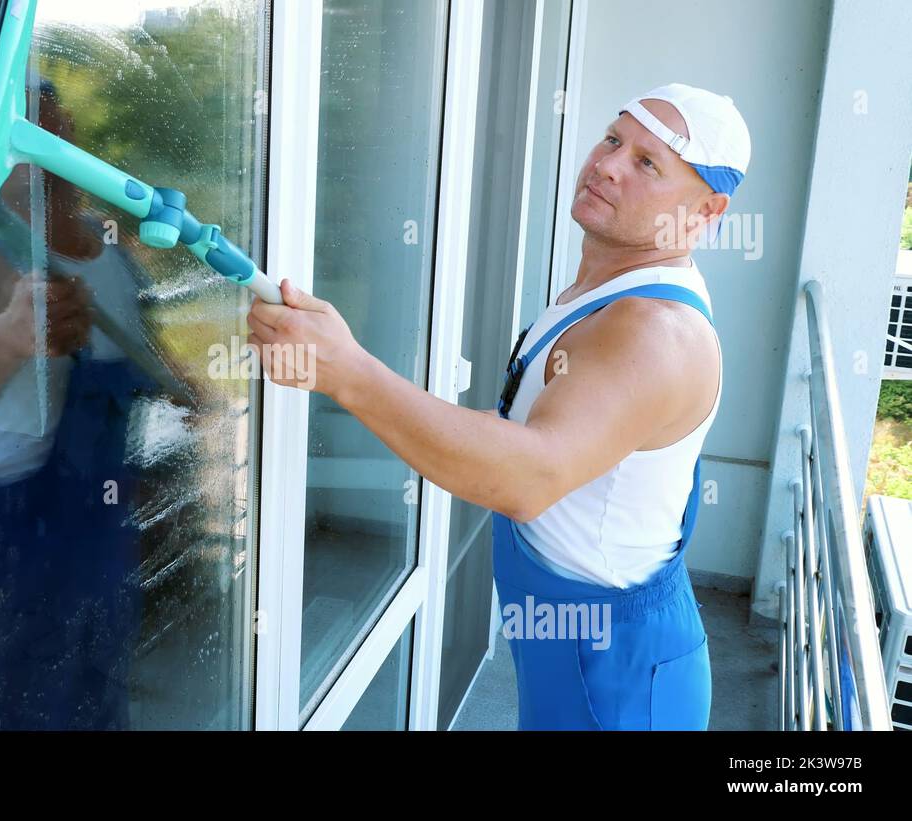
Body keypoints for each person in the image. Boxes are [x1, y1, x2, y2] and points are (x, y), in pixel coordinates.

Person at [248, 83, 750, 730]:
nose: (607, 164)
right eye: (613, 138)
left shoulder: (655, 331)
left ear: (705, 211)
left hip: (623, 687)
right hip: (571, 659)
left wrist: (347, 372)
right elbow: (522, 438)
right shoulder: (607, 288)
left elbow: (529, 475)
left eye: (647, 163)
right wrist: (339, 363)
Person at [0, 79, 153, 729]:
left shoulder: (113, 253)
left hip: (96, 544)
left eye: (57, 131)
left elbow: (151, 363)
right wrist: (5, 338)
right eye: (29, 140)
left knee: (95, 705)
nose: (52, 148)